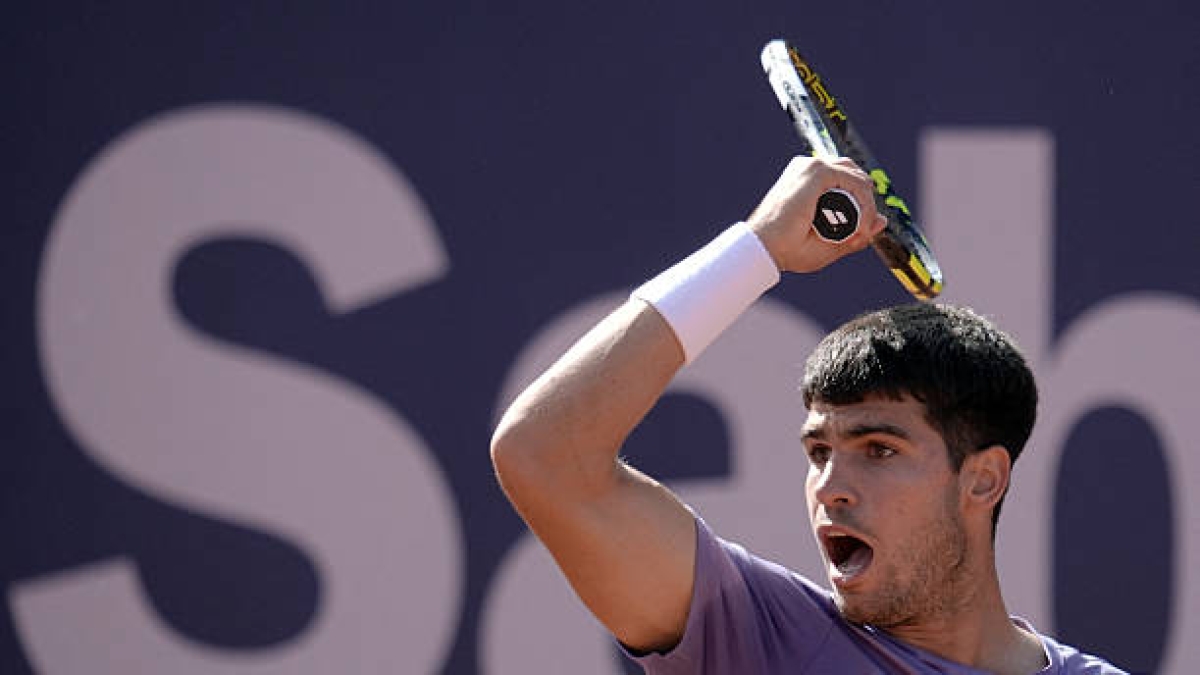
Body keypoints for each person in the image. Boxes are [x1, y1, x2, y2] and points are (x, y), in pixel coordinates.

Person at [490, 156, 1125, 673]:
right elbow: (544, 455)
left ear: (983, 478)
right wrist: (759, 247)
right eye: (818, 452)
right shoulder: (754, 640)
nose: (829, 487)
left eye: (879, 449)